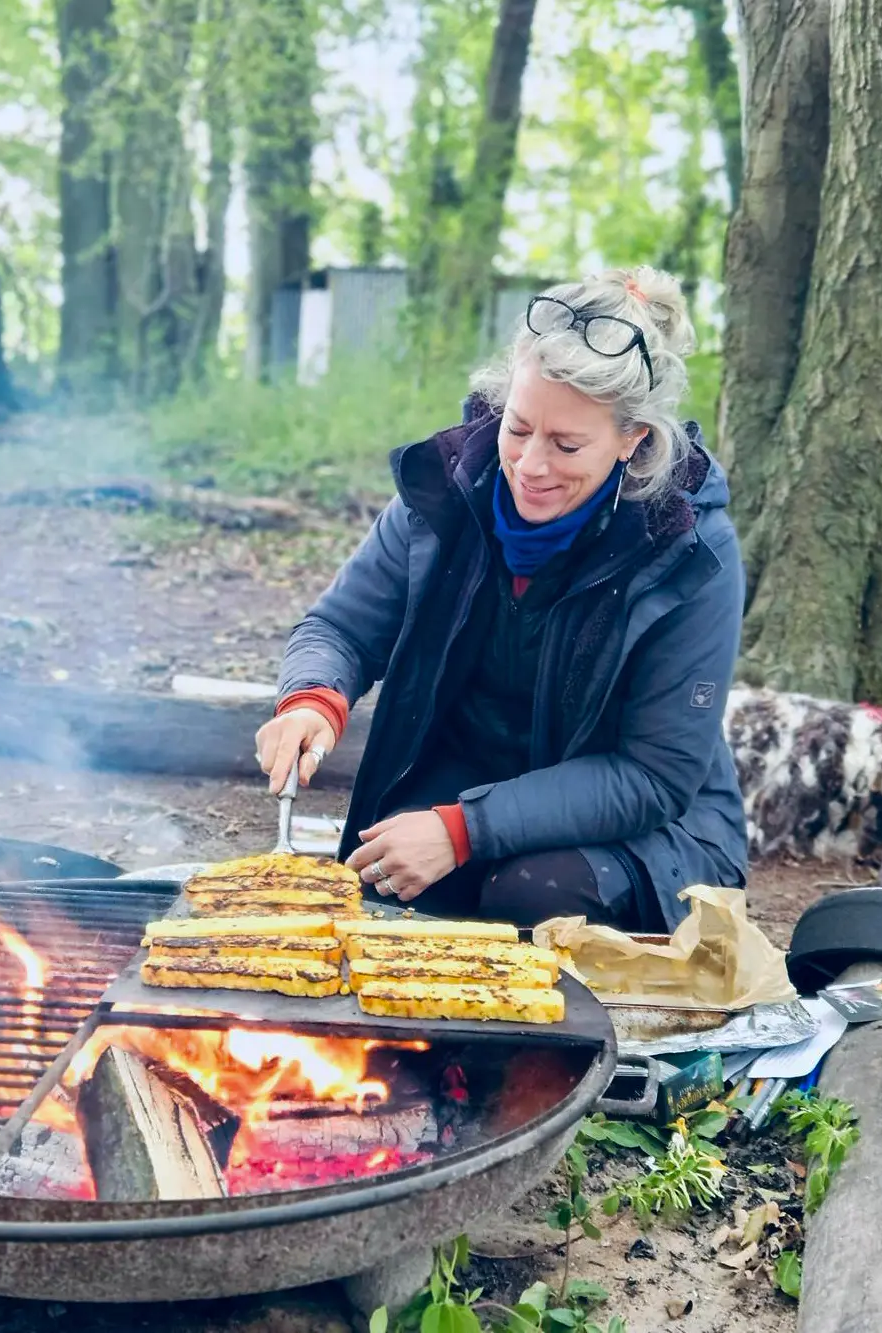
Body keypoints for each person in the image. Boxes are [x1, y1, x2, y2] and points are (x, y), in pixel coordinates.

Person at [256, 265, 748, 931]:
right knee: (387, 895)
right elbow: (343, 627)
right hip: (474, 786)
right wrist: (313, 697)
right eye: (519, 428)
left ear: (634, 440)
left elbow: (653, 776)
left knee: (529, 896)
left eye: (567, 444)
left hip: (648, 831)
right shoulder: (451, 491)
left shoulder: (689, 551)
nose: (531, 465)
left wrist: (464, 829)